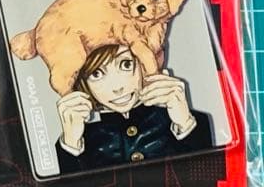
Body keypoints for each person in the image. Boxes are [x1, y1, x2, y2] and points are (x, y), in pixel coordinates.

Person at [54, 43, 212, 173]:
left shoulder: (181, 121)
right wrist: (71, 143)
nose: (117, 87)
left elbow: (208, 181)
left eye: (126, 64)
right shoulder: (82, 139)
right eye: (96, 74)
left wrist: (185, 123)